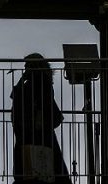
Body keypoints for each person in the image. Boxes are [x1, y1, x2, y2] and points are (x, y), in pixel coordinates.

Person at [10, 53, 70, 184]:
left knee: (31, 161)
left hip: (33, 129)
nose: (25, 68)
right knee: (44, 161)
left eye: (27, 65)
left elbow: (17, 95)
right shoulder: (41, 80)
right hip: (36, 130)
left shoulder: (38, 80)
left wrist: (23, 79)